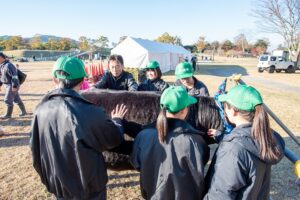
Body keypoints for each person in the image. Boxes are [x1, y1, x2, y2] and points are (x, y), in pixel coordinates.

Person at [30, 56, 128, 200]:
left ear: (55, 80)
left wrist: (50, 181)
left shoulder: (39, 111)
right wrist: (117, 121)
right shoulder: (91, 112)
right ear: (83, 81)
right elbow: (114, 139)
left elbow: (35, 151)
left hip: (59, 188)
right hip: (90, 190)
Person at [204, 85, 285, 200]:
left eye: (225, 106)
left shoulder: (233, 149)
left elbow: (221, 194)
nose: (224, 110)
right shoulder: (265, 137)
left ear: (234, 111)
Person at [131, 86, 210, 200]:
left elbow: (137, 164)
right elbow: (200, 165)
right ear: (184, 110)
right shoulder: (196, 141)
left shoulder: (143, 136)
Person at [0, 52, 27, 119]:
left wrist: (14, 86)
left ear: (1, 57)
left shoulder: (9, 65)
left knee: (7, 99)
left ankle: (8, 115)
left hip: (12, 84)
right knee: (16, 99)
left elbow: (14, 76)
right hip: (7, 85)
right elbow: (1, 76)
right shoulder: (1, 65)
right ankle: (24, 112)